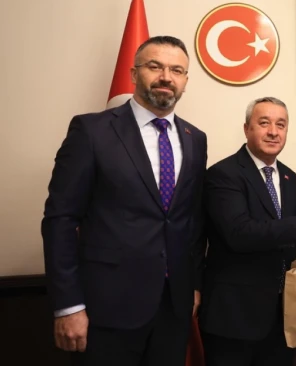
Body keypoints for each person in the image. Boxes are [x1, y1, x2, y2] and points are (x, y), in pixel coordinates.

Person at [41, 36, 207, 366]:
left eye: (177, 70)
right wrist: (68, 306)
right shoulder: (92, 131)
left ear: (185, 80)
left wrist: (194, 285)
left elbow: (191, 219)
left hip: (173, 308)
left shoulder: (195, 138)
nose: (166, 77)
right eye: (155, 66)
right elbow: (60, 220)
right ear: (134, 73)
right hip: (107, 308)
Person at [198, 97, 296, 366]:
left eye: (280, 125)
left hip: (283, 313)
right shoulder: (223, 174)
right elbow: (239, 232)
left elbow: (279, 227)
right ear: (246, 128)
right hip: (234, 316)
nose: (273, 131)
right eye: (264, 123)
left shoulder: (288, 176)